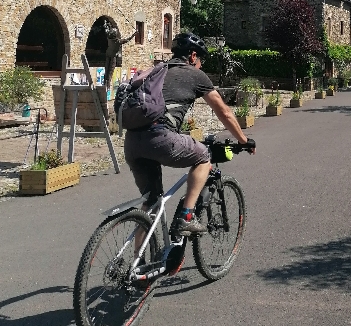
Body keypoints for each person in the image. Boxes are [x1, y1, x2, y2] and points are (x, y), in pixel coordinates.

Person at [124, 32, 255, 236]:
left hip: (132, 142)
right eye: (200, 59)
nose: (201, 64)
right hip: (159, 138)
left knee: (151, 203)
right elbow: (225, 112)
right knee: (204, 156)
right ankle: (186, 217)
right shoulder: (195, 74)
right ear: (193, 56)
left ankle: (136, 264)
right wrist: (244, 140)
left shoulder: (156, 70)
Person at [104, 20, 137, 89]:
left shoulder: (108, 39)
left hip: (108, 55)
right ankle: (107, 86)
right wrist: (134, 34)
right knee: (110, 72)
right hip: (113, 57)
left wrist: (108, 25)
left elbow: (108, 31)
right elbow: (128, 39)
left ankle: (105, 84)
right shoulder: (118, 41)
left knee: (106, 71)